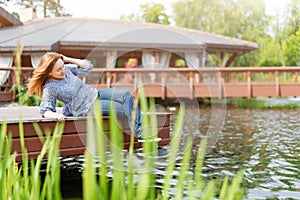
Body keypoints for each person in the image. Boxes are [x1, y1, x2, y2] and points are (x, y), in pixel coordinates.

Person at [27, 52, 142, 138]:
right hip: (86, 107)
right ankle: (139, 134)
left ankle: (138, 129)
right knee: (122, 108)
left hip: (95, 94)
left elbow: (88, 67)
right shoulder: (50, 87)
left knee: (126, 95)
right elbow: (45, 110)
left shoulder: (66, 69)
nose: (63, 70)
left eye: (62, 66)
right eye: (58, 69)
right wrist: (55, 116)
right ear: (49, 72)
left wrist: (67, 59)